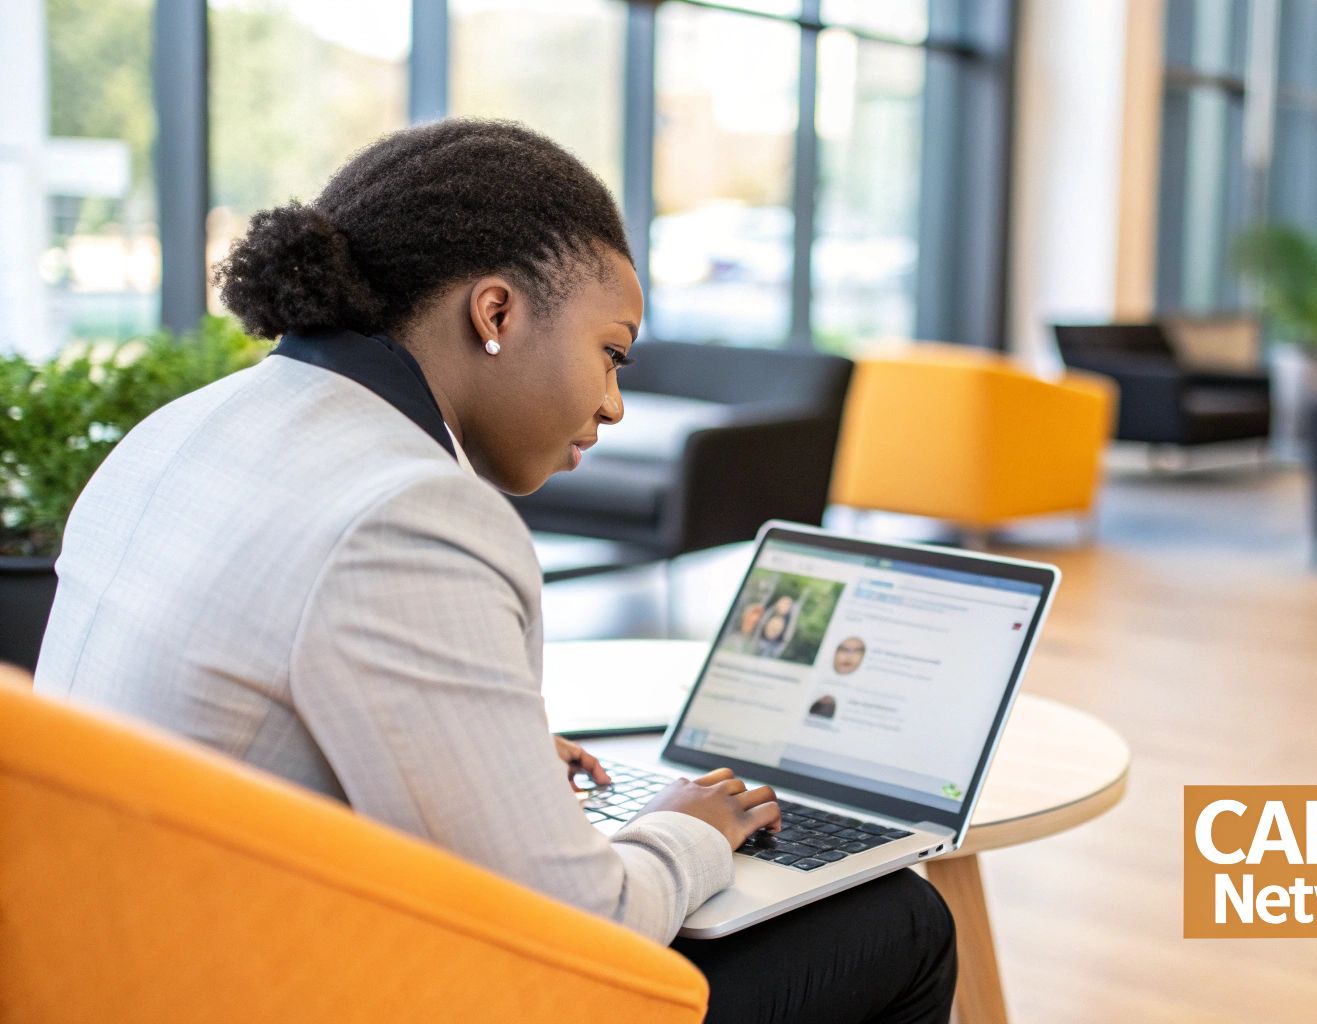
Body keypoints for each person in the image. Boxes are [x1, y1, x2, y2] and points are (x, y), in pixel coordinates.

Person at [33, 119, 954, 1023]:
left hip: (126, 962)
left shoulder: (184, 429)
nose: (614, 403)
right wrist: (690, 831)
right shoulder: (411, 508)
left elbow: (247, 720)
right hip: (287, 980)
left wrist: (478, 757)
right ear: (498, 312)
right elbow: (585, 929)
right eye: (611, 352)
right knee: (903, 922)